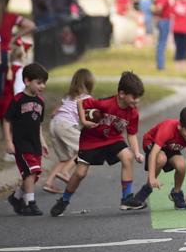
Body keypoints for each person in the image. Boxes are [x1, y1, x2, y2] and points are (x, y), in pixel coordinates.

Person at [50, 71, 146, 217]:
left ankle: (127, 199)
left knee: (128, 156)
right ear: (122, 94)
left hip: (113, 139)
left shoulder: (133, 113)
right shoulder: (105, 104)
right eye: (134, 97)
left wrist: (137, 152)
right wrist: (83, 121)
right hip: (91, 140)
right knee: (80, 173)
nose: (137, 101)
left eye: (139, 97)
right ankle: (64, 200)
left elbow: (131, 133)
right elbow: (81, 102)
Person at [131, 107, 186, 210]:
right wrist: (152, 178)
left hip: (170, 146)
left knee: (181, 165)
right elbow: (153, 154)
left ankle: (176, 193)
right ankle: (146, 188)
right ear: (179, 126)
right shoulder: (168, 128)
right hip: (152, 142)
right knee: (161, 159)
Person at [4, 63, 50, 215]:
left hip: (35, 143)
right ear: (27, 81)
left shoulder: (40, 102)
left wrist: (43, 142)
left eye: (44, 83)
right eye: (38, 82)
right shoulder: (18, 99)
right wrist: (9, 141)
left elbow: (38, 125)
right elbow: (7, 120)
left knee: (34, 175)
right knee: (30, 172)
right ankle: (30, 203)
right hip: (21, 144)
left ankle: (16, 198)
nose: (42, 86)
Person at [42, 68, 95, 194]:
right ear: (89, 84)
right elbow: (88, 117)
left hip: (54, 125)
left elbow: (55, 111)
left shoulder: (68, 96)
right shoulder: (88, 99)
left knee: (64, 158)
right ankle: (65, 172)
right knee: (85, 149)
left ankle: (49, 182)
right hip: (65, 125)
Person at [154, 0, 174, 71]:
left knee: (162, 42)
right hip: (164, 20)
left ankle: (161, 64)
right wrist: (158, 16)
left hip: (164, 19)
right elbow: (159, 7)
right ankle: (160, 65)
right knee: (162, 42)